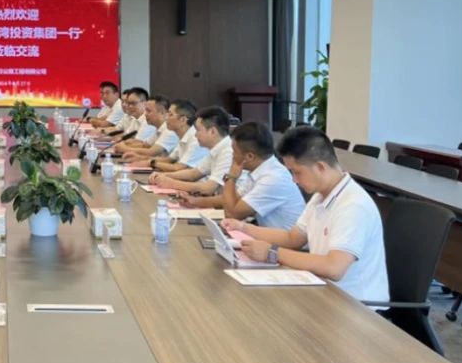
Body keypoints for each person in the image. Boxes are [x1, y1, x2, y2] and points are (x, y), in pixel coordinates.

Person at [223, 126, 389, 302]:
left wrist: (271, 253)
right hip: (324, 293)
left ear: (320, 167)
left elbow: (334, 268)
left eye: (297, 172)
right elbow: (292, 238)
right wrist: (243, 227)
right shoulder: (320, 196)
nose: (294, 179)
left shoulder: (353, 205)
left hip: (357, 306)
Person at [177, 122, 305, 231]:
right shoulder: (260, 170)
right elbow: (233, 199)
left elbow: (231, 214)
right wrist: (196, 202)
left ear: (249, 156)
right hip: (267, 237)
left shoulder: (272, 179)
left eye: (234, 151)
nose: (232, 155)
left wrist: (231, 177)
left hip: (287, 247)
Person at [149, 106, 233, 195]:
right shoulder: (217, 148)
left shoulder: (228, 151)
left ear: (212, 131)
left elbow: (208, 188)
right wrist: (165, 175)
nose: (195, 135)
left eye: (198, 130)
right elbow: (194, 173)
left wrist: (171, 183)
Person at [138, 99, 209, 172]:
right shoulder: (182, 136)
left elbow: (178, 167)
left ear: (183, 120)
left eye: (170, 115)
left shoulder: (195, 140)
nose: (166, 118)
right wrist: (144, 160)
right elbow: (169, 159)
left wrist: (151, 163)